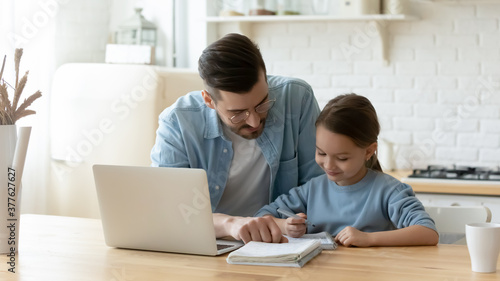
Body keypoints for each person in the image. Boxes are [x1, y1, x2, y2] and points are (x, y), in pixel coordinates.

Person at [150, 33, 324, 243]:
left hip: (281, 242)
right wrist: (230, 224)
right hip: (211, 244)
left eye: (262, 103)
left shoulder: (297, 99)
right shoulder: (177, 122)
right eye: (238, 113)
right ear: (209, 100)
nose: (254, 122)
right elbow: (170, 212)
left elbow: (320, 186)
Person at [255, 94, 439, 247]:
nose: (328, 165)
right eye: (321, 153)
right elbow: (261, 216)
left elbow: (428, 232)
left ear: (369, 151)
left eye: (342, 158)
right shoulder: (311, 189)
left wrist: (369, 238)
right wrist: (285, 226)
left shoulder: (389, 190)